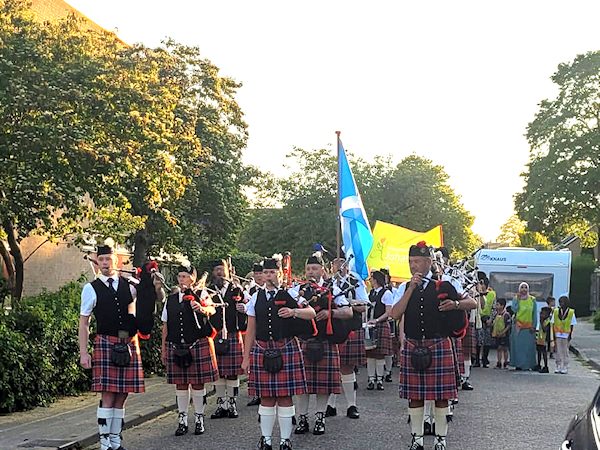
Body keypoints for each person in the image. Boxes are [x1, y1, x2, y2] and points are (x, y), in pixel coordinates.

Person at [391, 241, 477, 450]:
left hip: (438, 343)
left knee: (441, 396)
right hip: (413, 344)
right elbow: (394, 314)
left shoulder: (446, 282)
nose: (413, 266)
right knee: (415, 396)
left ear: (429, 262)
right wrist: (411, 288)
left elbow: (472, 302)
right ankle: (417, 440)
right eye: (411, 262)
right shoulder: (404, 286)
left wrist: (455, 304)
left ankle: (440, 440)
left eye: (418, 261)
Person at [79, 244, 164, 450]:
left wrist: (155, 285)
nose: (106, 263)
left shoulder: (130, 285)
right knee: (108, 394)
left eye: (109, 259)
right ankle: (104, 443)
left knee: (122, 395)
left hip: (128, 342)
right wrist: (84, 352)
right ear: (97, 263)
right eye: (102, 260)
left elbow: (152, 299)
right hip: (106, 342)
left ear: (116, 261)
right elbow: (84, 322)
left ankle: (116, 442)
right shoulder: (91, 288)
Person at [242, 257, 316, 450]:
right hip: (262, 349)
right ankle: (266, 440)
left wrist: (293, 311)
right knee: (266, 396)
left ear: (280, 274)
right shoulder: (255, 297)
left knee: (285, 396)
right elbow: (251, 329)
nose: (269, 276)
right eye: (266, 273)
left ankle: (285, 441)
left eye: (273, 272)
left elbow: (311, 313)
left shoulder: (291, 293)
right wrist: (245, 358)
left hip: (286, 347)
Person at [161, 265, 218, 436]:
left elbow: (212, 309)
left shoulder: (201, 294)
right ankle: (182, 420)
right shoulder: (171, 299)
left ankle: (199, 418)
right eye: (180, 276)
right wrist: (163, 348)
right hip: (176, 345)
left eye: (185, 276)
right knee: (181, 385)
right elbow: (165, 325)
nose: (182, 279)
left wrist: (201, 308)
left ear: (192, 279)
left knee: (198, 384)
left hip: (197, 344)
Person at [326, 256, 368, 419]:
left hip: (351, 327)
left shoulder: (355, 282)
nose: (339, 266)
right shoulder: (328, 283)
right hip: (332, 329)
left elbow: (364, 306)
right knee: (332, 368)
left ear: (347, 265)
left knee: (347, 367)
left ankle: (352, 405)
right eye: (336, 263)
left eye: (342, 263)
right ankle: (331, 405)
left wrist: (347, 303)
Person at [208, 259, 247, 420]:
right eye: (217, 270)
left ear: (227, 271)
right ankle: (221, 405)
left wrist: (243, 309)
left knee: (232, 373)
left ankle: (231, 404)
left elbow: (247, 307)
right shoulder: (207, 290)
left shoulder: (236, 289)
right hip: (214, 335)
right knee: (218, 374)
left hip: (232, 333)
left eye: (222, 269)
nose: (220, 273)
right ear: (213, 272)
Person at [365, 270, 394, 391]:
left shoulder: (386, 293)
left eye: (371, 278)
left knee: (380, 355)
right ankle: (371, 379)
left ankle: (380, 379)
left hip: (381, 325)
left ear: (376, 280)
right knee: (370, 354)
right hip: (370, 327)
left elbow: (389, 312)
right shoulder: (371, 293)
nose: (370, 281)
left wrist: (376, 320)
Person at [247, 262, 265, 407]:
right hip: (255, 328)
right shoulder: (251, 290)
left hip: (269, 330)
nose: (259, 276)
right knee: (256, 364)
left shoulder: (280, 290)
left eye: (261, 273)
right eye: (257, 273)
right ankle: (258, 393)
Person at [509, 282, 538, 371]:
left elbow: (534, 314)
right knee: (518, 347)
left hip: (528, 327)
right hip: (518, 326)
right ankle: (518, 364)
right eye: (522, 287)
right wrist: (517, 300)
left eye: (525, 287)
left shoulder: (532, 299)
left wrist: (534, 326)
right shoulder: (516, 298)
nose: (524, 289)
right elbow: (514, 309)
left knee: (528, 347)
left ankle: (528, 365)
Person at [552, 295, 577, 374]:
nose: (561, 304)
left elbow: (572, 324)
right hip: (558, 334)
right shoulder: (556, 311)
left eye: (562, 302)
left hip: (566, 334)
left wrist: (570, 335)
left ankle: (565, 365)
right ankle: (558, 365)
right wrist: (553, 336)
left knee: (565, 351)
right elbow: (553, 323)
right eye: (560, 302)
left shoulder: (571, 312)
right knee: (558, 351)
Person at [491, 298, 511, 369]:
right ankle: (499, 363)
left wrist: (503, 332)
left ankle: (505, 363)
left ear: (502, 306)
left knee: (505, 349)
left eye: (498, 305)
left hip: (504, 335)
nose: (496, 306)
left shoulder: (506, 315)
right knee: (498, 348)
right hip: (497, 335)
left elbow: (508, 325)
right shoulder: (496, 314)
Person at [535, 306, 552, 374]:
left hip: (545, 339)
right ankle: (538, 364)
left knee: (544, 352)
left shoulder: (548, 321)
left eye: (543, 314)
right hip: (540, 338)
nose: (541, 315)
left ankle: (546, 366)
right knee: (539, 351)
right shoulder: (543, 320)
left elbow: (545, 330)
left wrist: (541, 322)